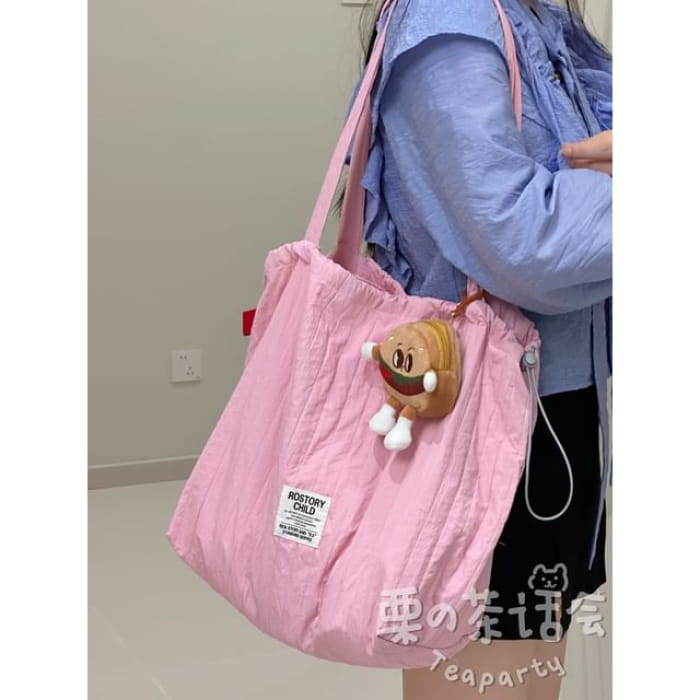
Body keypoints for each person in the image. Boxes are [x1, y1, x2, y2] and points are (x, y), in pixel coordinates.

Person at [340, 1, 612, 698]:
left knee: (523, 666)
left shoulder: (533, 19)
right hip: (491, 416)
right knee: (492, 666)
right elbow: (523, 241)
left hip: (542, 402)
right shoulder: (453, 22)